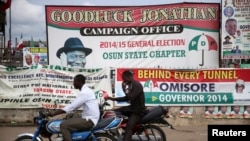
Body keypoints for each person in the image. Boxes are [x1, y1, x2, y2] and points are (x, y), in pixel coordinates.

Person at [48, 74, 100, 141]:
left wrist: (54, 113)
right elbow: (75, 106)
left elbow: (72, 107)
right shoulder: (86, 91)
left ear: (79, 82)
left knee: (64, 125)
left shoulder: (85, 92)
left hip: (89, 120)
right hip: (88, 118)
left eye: (74, 81)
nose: (73, 83)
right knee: (68, 119)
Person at [106, 70, 147, 141]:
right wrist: (112, 99)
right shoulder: (131, 85)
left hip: (138, 111)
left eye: (125, 79)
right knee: (114, 112)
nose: (124, 81)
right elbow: (127, 97)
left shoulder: (137, 85)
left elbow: (131, 97)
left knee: (129, 128)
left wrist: (124, 88)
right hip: (132, 108)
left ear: (129, 77)